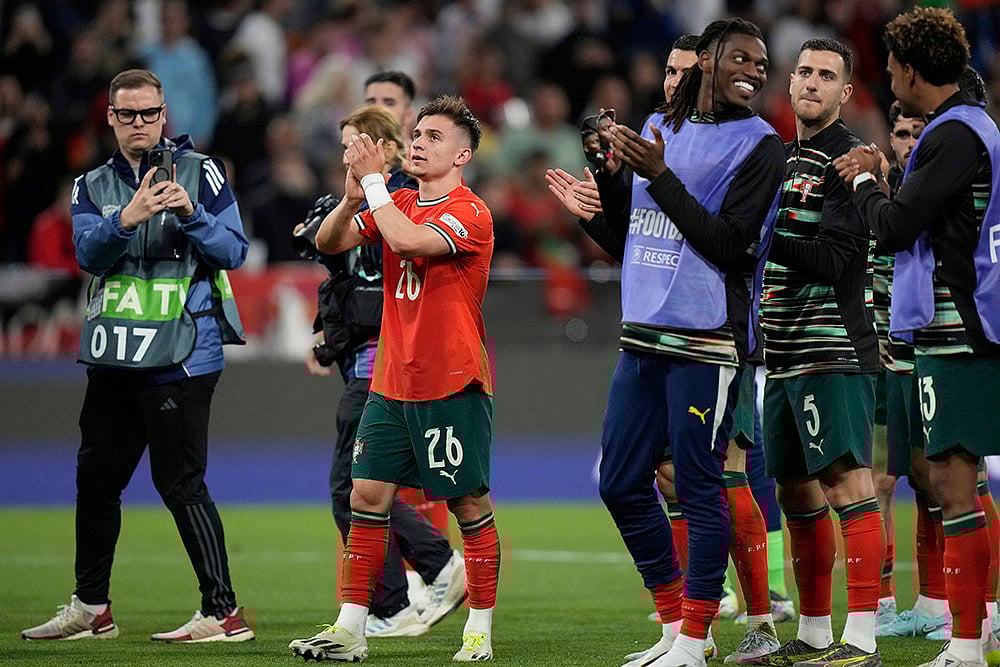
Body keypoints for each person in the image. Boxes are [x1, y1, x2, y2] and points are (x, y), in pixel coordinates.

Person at [548, 32, 786, 666]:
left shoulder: (762, 145)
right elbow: (636, 231)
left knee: (701, 489)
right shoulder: (658, 125)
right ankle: (676, 618)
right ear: (708, 61)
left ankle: (694, 635)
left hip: (706, 339)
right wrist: (606, 172)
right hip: (641, 334)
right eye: (741, 58)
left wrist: (660, 173)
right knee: (623, 483)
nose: (753, 72)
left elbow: (732, 246)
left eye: (761, 64)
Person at [21, 69, 253, 643]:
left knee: (179, 483)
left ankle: (223, 614)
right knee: (95, 480)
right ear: (110, 117)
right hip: (116, 353)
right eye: (128, 115)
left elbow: (235, 251)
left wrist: (190, 214)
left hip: (182, 355)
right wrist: (127, 217)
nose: (140, 125)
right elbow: (85, 255)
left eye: (149, 113)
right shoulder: (91, 185)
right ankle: (92, 609)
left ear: (164, 112)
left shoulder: (204, 174)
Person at [288, 95, 499, 663]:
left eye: (433, 136)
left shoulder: (470, 212)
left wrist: (376, 185)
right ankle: (350, 628)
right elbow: (329, 243)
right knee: (365, 495)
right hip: (389, 381)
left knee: (468, 505)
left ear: (462, 155)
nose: (419, 142)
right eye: (418, 134)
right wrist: (354, 197)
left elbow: (407, 242)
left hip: (450, 382)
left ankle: (478, 629)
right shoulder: (396, 199)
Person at [834, 8, 1000, 666]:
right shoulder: (969, 126)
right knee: (949, 479)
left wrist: (867, 179)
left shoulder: (954, 134)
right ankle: (971, 628)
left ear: (909, 70)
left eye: (893, 66)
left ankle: (965, 642)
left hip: (958, 324)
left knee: (956, 485)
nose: (889, 76)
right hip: (956, 323)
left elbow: (897, 227)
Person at [745, 39, 885, 667]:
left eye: (826, 76)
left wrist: (763, 238)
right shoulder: (781, 158)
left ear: (845, 92)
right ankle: (812, 632)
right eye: (803, 71)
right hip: (783, 350)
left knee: (848, 484)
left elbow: (836, 259)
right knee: (795, 493)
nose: (811, 83)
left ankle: (862, 640)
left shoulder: (850, 160)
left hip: (833, 349)